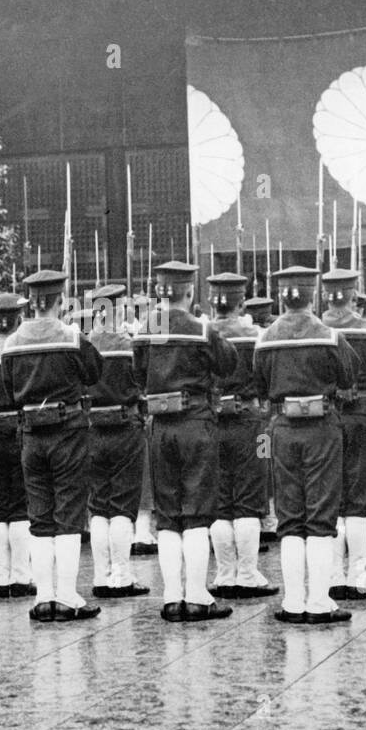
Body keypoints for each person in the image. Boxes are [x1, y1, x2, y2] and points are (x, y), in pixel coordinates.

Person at [134, 261, 237, 622]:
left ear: (160, 291)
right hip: (195, 423)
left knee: (168, 515)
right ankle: (197, 595)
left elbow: (137, 372)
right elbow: (229, 363)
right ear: (190, 292)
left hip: (159, 426)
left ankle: (171, 596)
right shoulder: (201, 328)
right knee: (196, 512)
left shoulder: (150, 327)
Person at [1, 269, 104, 622]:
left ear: (31, 303)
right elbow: (94, 373)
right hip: (69, 434)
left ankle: (43, 597)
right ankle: (68, 594)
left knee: (40, 518)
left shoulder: (13, 343)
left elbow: (6, 389)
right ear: (60, 300)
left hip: (31, 436)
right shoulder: (73, 338)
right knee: (69, 515)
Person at [254, 266, 355, 623]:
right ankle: (319, 601)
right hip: (322, 429)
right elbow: (349, 377)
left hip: (281, 429)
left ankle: (293, 600)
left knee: (290, 517)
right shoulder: (330, 336)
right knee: (321, 515)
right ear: (313, 296)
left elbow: (260, 383)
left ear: (282, 297)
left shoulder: (265, 338)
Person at [205, 272, 275, 600]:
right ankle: (247, 573)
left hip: (211, 425)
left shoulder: (200, 335)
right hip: (255, 425)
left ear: (211, 301)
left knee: (219, 501)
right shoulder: (258, 335)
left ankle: (224, 572)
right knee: (252, 496)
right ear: (241, 302)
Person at [322, 268, 366, 599]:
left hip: (326, 418)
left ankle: (333, 574)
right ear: (353, 295)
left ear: (325, 295)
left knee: (331, 496)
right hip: (363, 416)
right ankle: (358, 574)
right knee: (360, 498)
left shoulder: (319, 330)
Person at [86, 283, 151, 599]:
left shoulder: (84, 345)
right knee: (123, 504)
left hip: (93, 429)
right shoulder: (131, 345)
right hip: (126, 427)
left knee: (98, 505)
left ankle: (101, 576)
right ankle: (121, 576)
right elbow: (144, 382)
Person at [0, 292, 35, 598]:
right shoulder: (22, 348)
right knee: (21, 503)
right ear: (17, 319)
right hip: (18, 424)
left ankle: (0, 576)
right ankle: (21, 575)